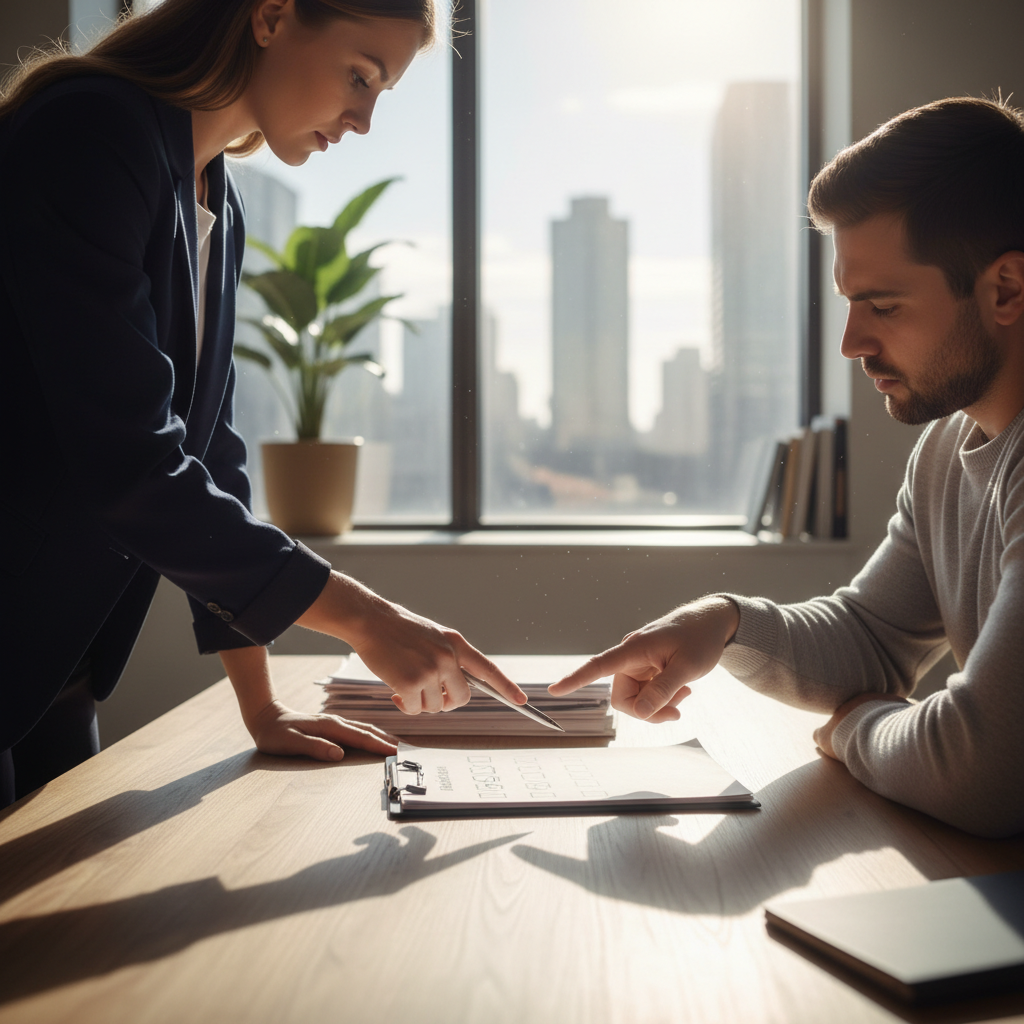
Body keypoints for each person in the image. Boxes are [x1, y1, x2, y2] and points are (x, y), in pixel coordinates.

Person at [0, 0, 526, 808]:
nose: (363, 121)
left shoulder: (219, 198)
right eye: (361, 76)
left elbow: (209, 453)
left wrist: (262, 704)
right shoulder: (90, 131)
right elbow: (132, 464)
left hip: (55, 666)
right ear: (273, 16)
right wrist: (366, 619)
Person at [552, 97, 1024, 840]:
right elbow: (873, 639)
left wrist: (856, 729)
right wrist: (728, 624)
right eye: (847, 303)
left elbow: (987, 770)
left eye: (883, 306)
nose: (850, 342)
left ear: (1005, 289)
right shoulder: (943, 452)